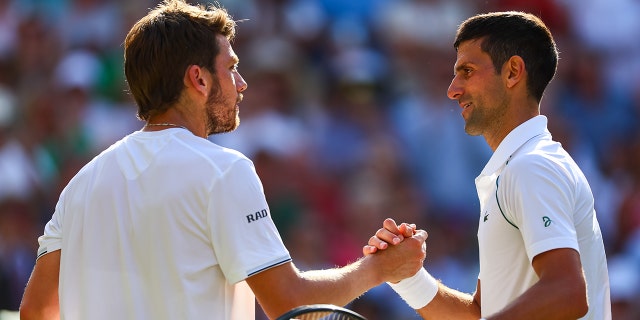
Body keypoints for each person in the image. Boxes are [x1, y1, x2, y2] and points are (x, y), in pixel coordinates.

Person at [18, 1, 428, 319]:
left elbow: (36, 312)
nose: (242, 83)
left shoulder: (79, 185)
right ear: (198, 79)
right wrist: (380, 269)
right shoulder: (225, 170)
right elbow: (290, 302)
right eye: (230, 68)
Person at [364, 11, 611, 320]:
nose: (452, 89)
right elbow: (483, 313)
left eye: (467, 71)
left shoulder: (531, 167)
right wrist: (408, 278)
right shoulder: (516, 170)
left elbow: (568, 292)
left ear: (512, 73)